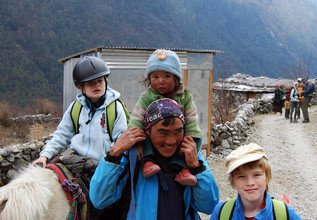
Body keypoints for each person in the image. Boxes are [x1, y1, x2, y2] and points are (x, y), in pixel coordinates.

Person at [90, 98, 220, 220]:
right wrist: (113, 154)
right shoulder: (133, 156)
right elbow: (100, 200)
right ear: (148, 130)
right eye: (162, 132)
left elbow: (208, 206)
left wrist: (196, 167)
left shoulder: (189, 156)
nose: (171, 141)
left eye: (178, 132)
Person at [32, 56, 128, 171]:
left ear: (105, 81)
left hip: (103, 163)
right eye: (90, 83)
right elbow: (62, 135)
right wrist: (44, 156)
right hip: (75, 161)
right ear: (82, 87)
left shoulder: (115, 108)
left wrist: (108, 163)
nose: (96, 85)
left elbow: (120, 140)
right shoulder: (75, 108)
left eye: (100, 81)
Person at [128, 49, 202, 186]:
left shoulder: (185, 95)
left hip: (180, 134)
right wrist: (134, 133)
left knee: (195, 140)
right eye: (155, 77)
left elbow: (191, 116)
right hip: (154, 137)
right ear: (149, 79)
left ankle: (185, 169)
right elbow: (136, 117)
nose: (161, 81)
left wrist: (190, 135)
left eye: (167, 76)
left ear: (176, 78)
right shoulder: (147, 96)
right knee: (144, 136)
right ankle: (148, 162)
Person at [210, 143, 301, 220]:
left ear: (267, 177)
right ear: (233, 181)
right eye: (241, 176)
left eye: (257, 175)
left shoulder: (284, 214)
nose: (250, 182)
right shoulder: (221, 213)